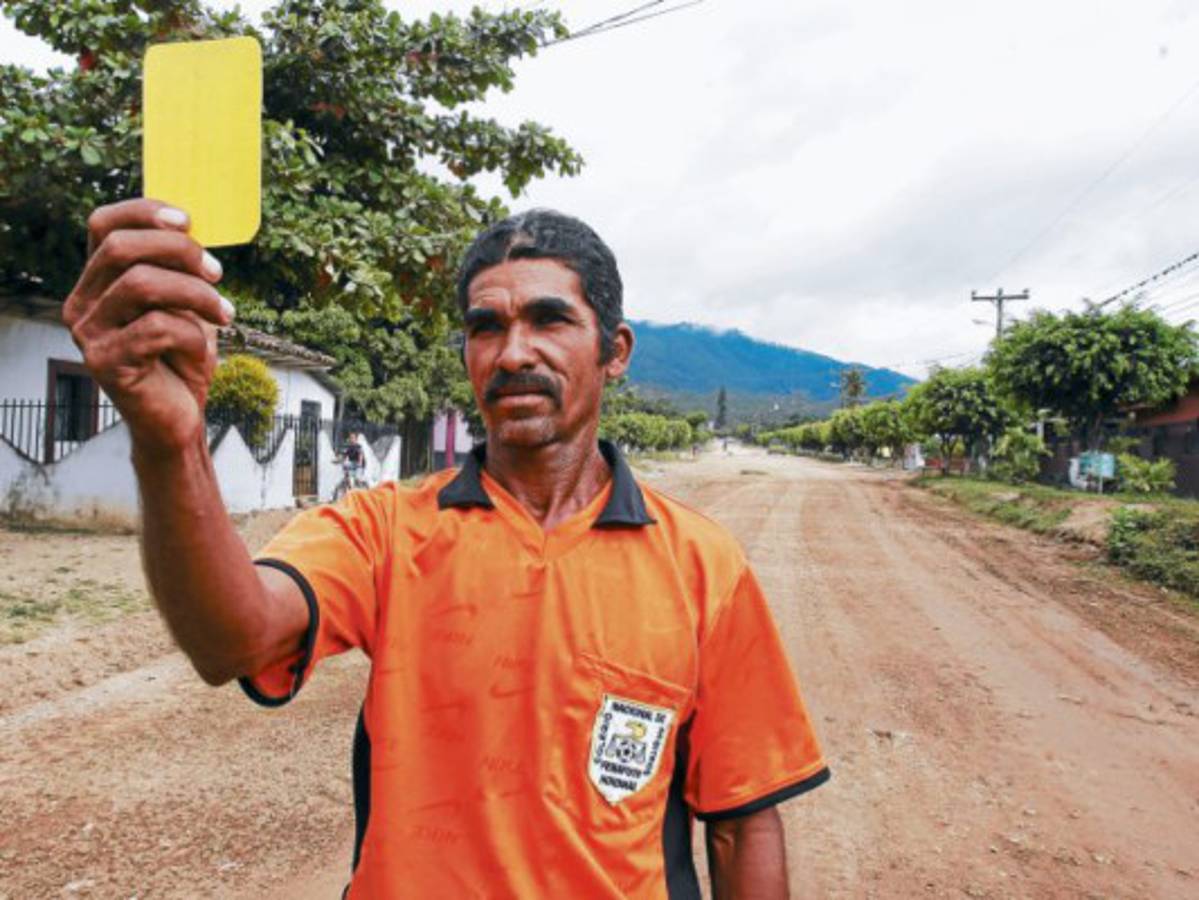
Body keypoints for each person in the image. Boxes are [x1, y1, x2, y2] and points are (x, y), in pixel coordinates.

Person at [65, 201, 828, 898]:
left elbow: (740, 821)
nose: (512, 352)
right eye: (485, 326)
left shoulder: (702, 564)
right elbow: (233, 638)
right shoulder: (385, 529)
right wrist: (171, 444)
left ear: (614, 349)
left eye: (549, 319)